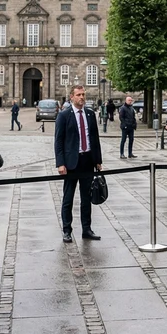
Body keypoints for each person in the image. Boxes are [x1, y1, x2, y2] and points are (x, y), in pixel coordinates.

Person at [54, 85, 102, 243]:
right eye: (79, 95)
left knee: (86, 198)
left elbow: (94, 139)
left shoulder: (89, 114)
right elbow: (58, 141)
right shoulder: (64, 115)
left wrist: (98, 160)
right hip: (71, 163)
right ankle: (67, 230)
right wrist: (60, 163)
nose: (82, 97)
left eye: (83, 94)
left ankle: (86, 229)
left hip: (87, 160)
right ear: (71, 97)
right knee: (68, 198)